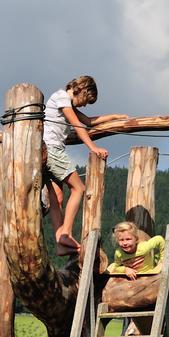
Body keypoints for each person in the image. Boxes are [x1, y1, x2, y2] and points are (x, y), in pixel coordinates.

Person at [43, 75, 126, 255]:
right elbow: (78, 125)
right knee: (78, 189)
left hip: (45, 150)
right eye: (86, 100)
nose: (84, 105)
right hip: (52, 149)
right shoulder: (62, 98)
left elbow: (88, 121)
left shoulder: (66, 102)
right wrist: (93, 147)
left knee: (56, 196)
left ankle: (60, 244)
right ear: (81, 90)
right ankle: (65, 233)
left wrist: (115, 116)